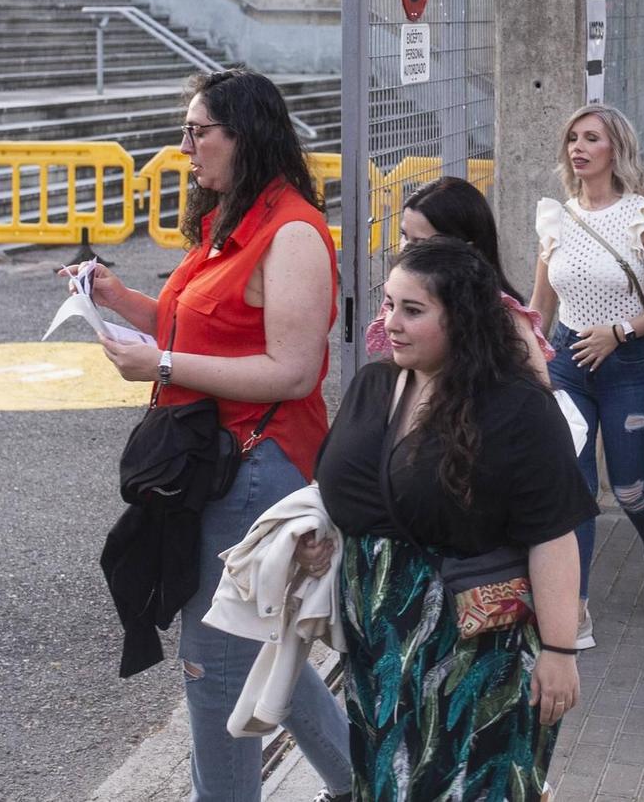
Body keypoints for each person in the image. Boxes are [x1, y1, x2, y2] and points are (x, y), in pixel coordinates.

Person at [79, 67, 351, 802]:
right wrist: (118, 299)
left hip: (257, 470)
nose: (185, 145)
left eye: (199, 131)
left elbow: (293, 370)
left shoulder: (290, 229)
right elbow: (198, 325)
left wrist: (161, 362)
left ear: (245, 133)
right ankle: (364, 781)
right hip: (220, 465)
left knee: (216, 670)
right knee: (260, 660)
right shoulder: (230, 217)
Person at [308, 239, 594, 802]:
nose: (391, 322)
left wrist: (561, 654)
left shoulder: (516, 407)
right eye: (389, 305)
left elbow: (554, 535)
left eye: (413, 310)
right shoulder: (374, 384)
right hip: (380, 647)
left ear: (462, 319)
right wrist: (320, 538)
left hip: (476, 652)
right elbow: (341, 486)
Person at [531, 103, 644, 646]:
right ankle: (575, 607)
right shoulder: (555, 217)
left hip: (628, 364)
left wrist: (620, 331)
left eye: (591, 138)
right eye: (573, 138)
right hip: (568, 365)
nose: (578, 147)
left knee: (628, 487)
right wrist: (532, 359)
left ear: (615, 150)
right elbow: (540, 306)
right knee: (576, 489)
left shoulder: (643, 215)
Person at [366, 177, 554, 381]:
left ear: (466, 248)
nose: (406, 249)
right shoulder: (401, 293)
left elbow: (540, 394)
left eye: (421, 241)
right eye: (404, 235)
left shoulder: (507, 320)